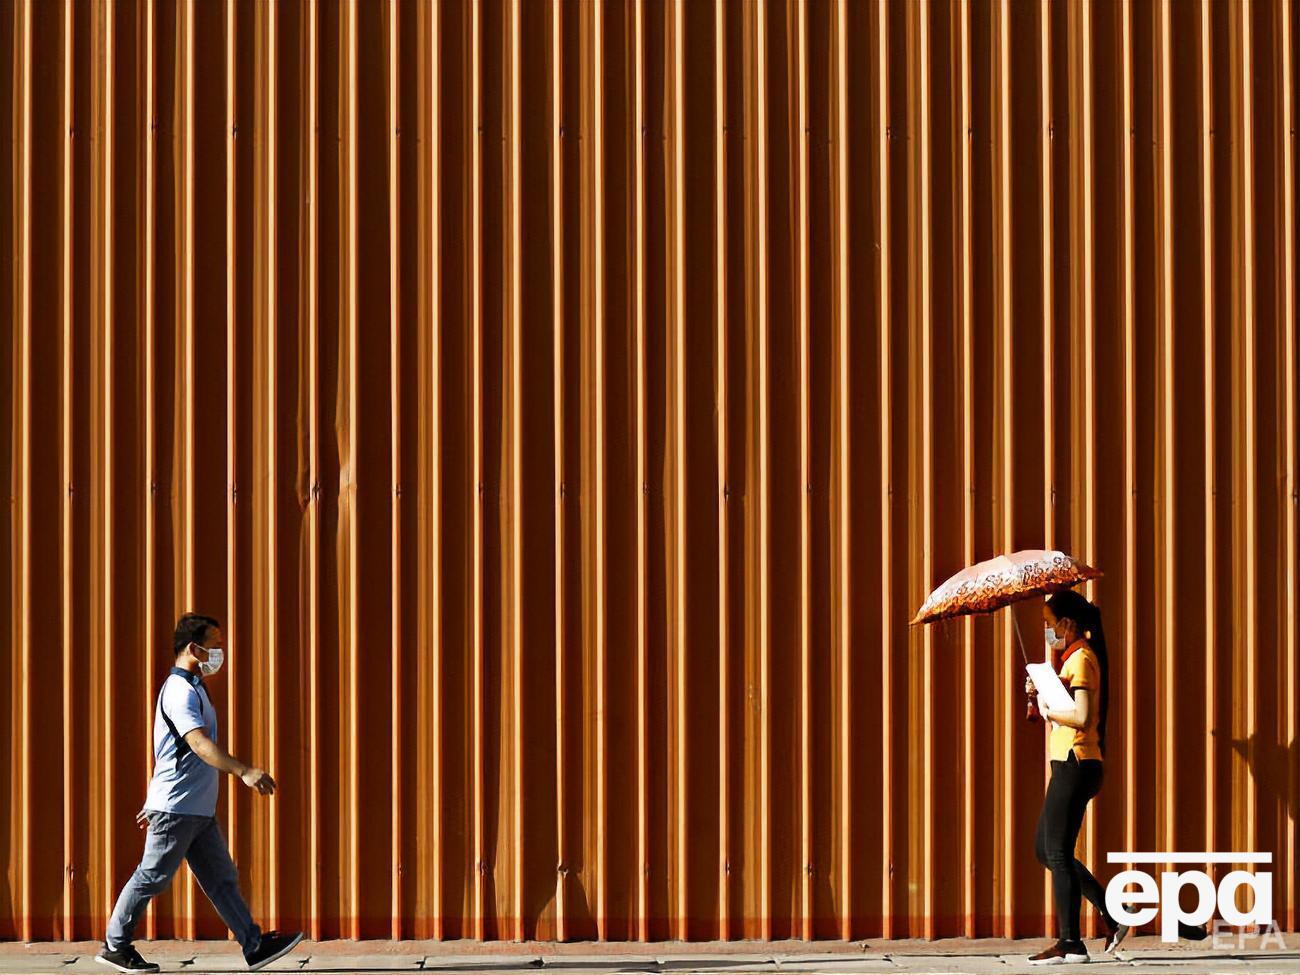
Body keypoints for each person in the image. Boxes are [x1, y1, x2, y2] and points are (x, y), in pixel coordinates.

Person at [97, 614, 303, 974]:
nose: (220, 652)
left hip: (196, 810)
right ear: (194, 648)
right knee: (152, 876)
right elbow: (197, 744)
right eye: (216, 645)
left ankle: (253, 945)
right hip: (177, 809)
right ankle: (115, 945)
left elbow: (167, 751)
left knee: (221, 879)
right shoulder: (179, 692)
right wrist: (244, 770)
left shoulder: (194, 688)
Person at [1023, 591, 1128, 965]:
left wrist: (1051, 708)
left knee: (1056, 852)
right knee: (1045, 849)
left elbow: (1082, 716)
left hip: (1077, 761)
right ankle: (1112, 913)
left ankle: (1070, 942)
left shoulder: (1082, 659)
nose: (1049, 632)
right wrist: (1041, 694)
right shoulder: (1068, 661)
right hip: (1068, 762)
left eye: (1052, 625)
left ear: (1068, 625)